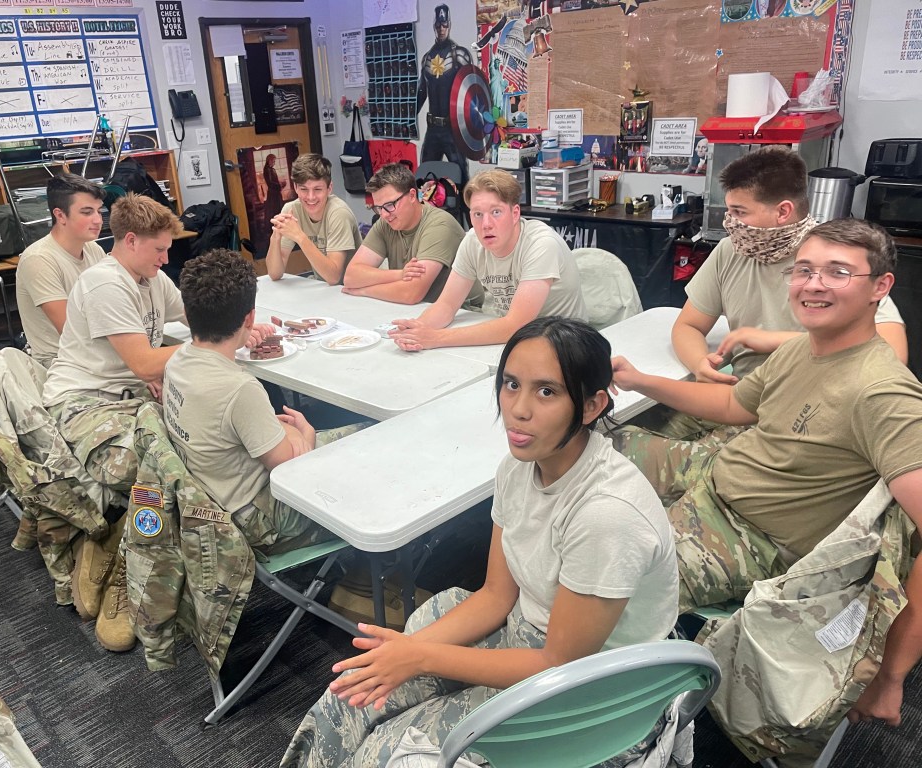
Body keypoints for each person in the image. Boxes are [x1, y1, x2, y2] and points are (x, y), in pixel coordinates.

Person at [280, 317, 679, 767]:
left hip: (595, 695)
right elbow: (495, 596)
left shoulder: (605, 513)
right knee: (352, 695)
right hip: (527, 637)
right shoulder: (518, 467)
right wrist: (404, 653)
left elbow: (558, 663)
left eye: (547, 391)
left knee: (388, 751)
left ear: (591, 406)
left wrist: (421, 657)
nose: (518, 409)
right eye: (511, 384)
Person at [611, 218, 922, 727]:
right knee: (591, 454)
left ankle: (600, 711)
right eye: (805, 270)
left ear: (879, 288)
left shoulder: (883, 393)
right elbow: (734, 405)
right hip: (716, 475)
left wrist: (889, 676)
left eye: (838, 272)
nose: (814, 284)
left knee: (610, 580)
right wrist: (639, 380)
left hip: (748, 537)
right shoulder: (803, 348)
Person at [655, 147, 907, 439]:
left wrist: (771, 340)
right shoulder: (730, 251)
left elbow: (890, 355)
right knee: (647, 432)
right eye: (729, 211)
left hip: (802, 412)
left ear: (783, 211)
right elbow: (688, 325)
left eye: (739, 212)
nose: (729, 222)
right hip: (738, 397)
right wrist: (701, 365)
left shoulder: (834, 258)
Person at [42, 193, 187, 653]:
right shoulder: (105, 283)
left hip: (130, 402)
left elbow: (194, 316)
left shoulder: (151, 277)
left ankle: (119, 540)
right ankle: (130, 568)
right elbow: (144, 362)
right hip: (85, 403)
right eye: (159, 249)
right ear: (130, 240)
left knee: (196, 447)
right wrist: (217, 340)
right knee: (151, 468)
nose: (166, 259)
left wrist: (237, 321)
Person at [163, 249, 362, 553]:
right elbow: (291, 468)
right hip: (256, 518)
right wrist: (305, 433)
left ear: (188, 315)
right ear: (250, 318)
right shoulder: (239, 389)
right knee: (368, 442)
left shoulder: (176, 363)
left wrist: (286, 434)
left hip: (213, 496)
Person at [389, 169, 585, 351]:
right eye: (478, 214)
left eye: (496, 212)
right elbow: (446, 306)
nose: (486, 224)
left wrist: (436, 338)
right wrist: (417, 330)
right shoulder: (472, 242)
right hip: (515, 340)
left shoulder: (541, 244)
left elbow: (516, 324)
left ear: (515, 213)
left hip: (565, 343)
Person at [342, 163, 482, 305]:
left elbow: (411, 293)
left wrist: (364, 291)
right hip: (419, 306)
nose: (384, 214)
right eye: (378, 208)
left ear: (412, 195)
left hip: (462, 309)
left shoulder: (439, 225)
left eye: (390, 205)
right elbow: (351, 277)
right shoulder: (386, 222)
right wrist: (400, 274)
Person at [15, 174, 106, 368]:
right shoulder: (38, 259)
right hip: (61, 362)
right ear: (60, 215)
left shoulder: (93, 249)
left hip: (98, 351)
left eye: (99, 211)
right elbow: (71, 331)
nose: (98, 220)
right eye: (87, 212)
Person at [266, 154, 362, 286]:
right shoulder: (291, 210)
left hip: (355, 289)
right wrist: (275, 238)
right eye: (304, 189)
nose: (311, 197)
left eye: (317, 189)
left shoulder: (339, 213)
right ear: (296, 187)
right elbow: (274, 274)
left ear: (329, 188)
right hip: (325, 287)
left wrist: (299, 236)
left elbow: (334, 277)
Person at [416, 4, 472, 181]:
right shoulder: (427, 58)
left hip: (453, 128)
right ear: (434, 26)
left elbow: (472, 92)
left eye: (445, 24)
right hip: (433, 128)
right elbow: (421, 92)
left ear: (449, 25)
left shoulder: (460, 55)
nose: (441, 29)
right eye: (438, 25)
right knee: (424, 178)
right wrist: (407, 124)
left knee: (461, 177)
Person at [262, 153, 285, 224]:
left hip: (276, 192)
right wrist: (279, 185)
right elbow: (270, 183)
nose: (274, 163)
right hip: (273, 194)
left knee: (278, 209)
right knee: (274, 210)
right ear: (269, 160)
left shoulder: (272, 169)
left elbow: (274, 181)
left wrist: (280, 184)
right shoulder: (267, 170)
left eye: (274, 161)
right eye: (273, 161)